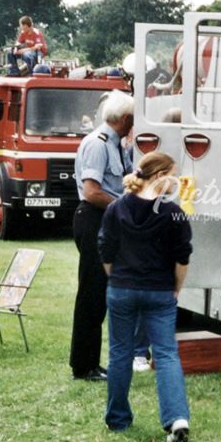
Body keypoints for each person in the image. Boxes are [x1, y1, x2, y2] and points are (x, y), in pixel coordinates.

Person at [98, 151, 193, 442]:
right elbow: (182, 258)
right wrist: (176, 287)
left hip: (122, 288)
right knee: (165, 355)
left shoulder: (116, 208)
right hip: (160, 290)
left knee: (120, 354)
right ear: (159, 176)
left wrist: (117, 278)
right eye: (173, 175)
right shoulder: (172, 212)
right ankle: (176, 418)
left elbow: (106, 251)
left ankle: (117, 419)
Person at [69, 91, 134, 381]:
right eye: (132, 118)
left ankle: (90, 362)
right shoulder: (98, 144)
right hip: (94, 218)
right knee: (92, 294)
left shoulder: (117, 145)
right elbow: (93, 192)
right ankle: (83, 365)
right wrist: (126, 206)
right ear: (124, 119)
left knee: (99, 294)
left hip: (104, 219)